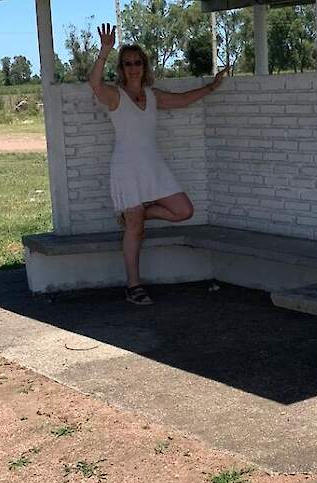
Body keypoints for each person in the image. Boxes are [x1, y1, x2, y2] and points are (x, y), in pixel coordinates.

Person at [89, 23, 228, 306]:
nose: (133, 68)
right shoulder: (115, 95)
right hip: (127, 168)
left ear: (144, 65)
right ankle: (133, 286)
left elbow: (183, 99)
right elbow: (94, 84)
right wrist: (104, 51)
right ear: (122, 68)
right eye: (127, 63)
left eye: (137, 62)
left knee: (183, 210)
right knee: (135, 230)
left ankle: (136, 213)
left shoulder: (153, 96)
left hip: (152, 165)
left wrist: (211, 87)